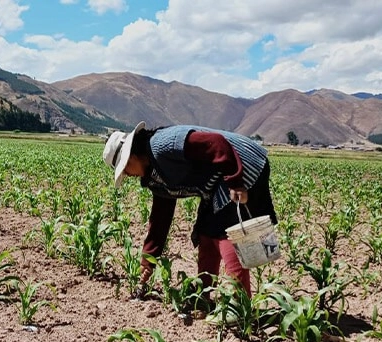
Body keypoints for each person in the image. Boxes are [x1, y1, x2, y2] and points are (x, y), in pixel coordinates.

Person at [102, 122, 277, 300]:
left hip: (242, 163)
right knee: (207, 231)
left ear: (132, 156)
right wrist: (148, 261)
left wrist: (235, 180)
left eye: (125, 170)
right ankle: (204, 294)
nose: (128, 175)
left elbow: (216, 143)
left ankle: (240, 303)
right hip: (217, 182)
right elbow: (160, 220)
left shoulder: (164, 145)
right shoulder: (155, 176)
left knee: (226, 232)